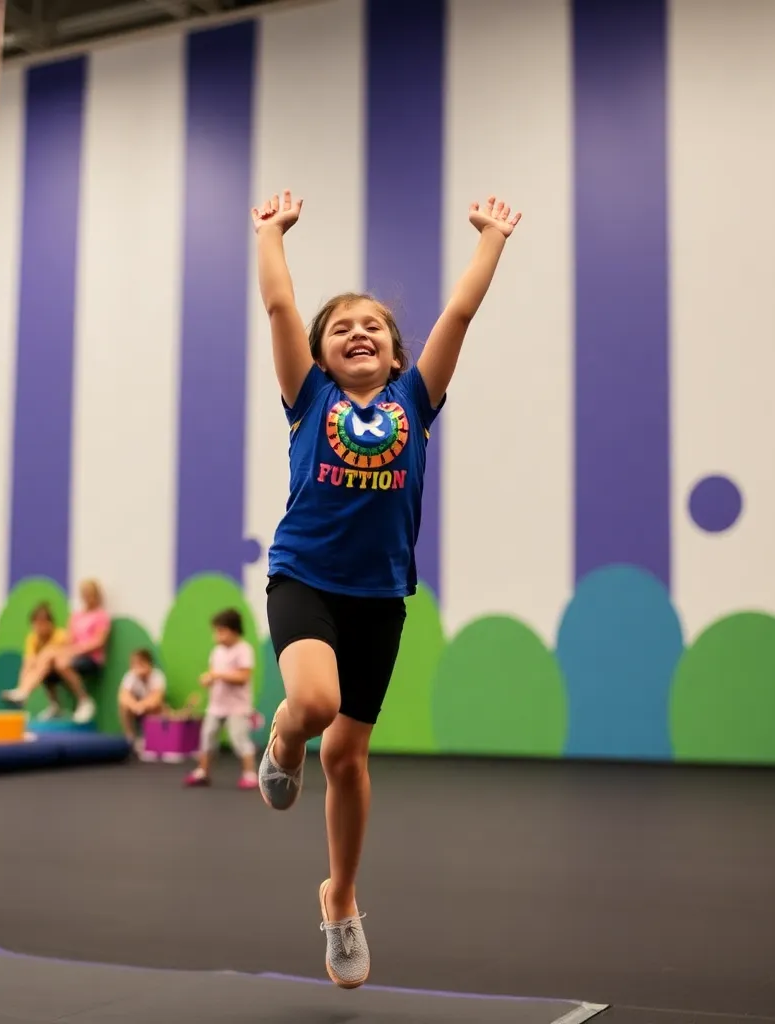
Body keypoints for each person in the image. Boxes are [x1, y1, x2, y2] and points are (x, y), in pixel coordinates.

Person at [251, 188, 521, 988]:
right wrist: (270, 235)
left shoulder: (415, 401)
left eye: (373, 326)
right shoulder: (310, 400)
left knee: (348, 757)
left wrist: (491, 239)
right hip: (305, 577)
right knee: (315, 706)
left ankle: (340, 897)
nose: (359, 333)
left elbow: (459, 315)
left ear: (398, 356)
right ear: (319, 355)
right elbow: (279, 306)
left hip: (379, 598)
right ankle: (282, 737)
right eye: (341, 328)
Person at [2, 578, 109, 724]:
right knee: (54, 662)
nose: (87, 597)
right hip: (73, 654)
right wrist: (66, 651)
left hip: (91, 658)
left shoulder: (101, 616)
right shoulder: (76, 616)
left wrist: (74, 650)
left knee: (52, 655)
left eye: (90, 594)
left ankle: (84, 700)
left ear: (96, 595)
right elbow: (70, 640)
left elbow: (99, 642)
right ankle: (46, 702)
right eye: (84, 594)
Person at [184, 609, 259, 790]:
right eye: (216, 631)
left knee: (239, 739)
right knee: (207, 737)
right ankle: (202, 772)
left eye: (221, 631)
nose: (217, 636)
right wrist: (209, 679)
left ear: (234, 631)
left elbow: (243, 677)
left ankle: (249, 774)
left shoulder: (244, 650)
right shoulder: (216, 652)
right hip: (216, 705)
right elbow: (213, 673)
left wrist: (218, 675)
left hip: (237, 707)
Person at [19, 603, 70, 722]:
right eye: (36, 624)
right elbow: (28, 662)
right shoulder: (32, 638)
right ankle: (52, 705)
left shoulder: (60, 636)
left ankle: (83, 700)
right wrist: (21, 687)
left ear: (50, 623)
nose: (39, 627)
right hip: (48, 672)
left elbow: (60, 658)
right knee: (34, 666)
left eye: (42, 623)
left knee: (45, 661)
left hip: (66, 668)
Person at [117, 648, 166, 754]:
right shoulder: (130, 676)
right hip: (135, 710)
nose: (137, 667)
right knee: (123, 707)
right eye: (134, 663)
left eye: (140, 663)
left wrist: (142, 705)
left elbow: (156, 699)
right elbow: (123, 696)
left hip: (151, 710)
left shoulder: (157, 676)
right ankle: (130, 738)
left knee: (158, 707)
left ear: (148, 663)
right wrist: (134, 705)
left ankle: (153, 741)